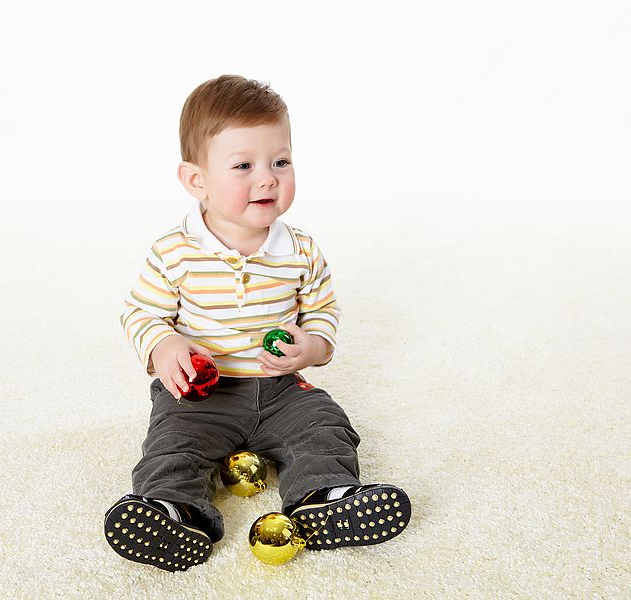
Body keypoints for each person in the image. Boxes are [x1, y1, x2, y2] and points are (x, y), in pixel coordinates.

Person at [103, 75, 411, 571]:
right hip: (202, 396)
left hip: (281, 389)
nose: (267, 178)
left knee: (325, 426)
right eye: (243, 165)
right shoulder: (174, 253)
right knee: (173, 444)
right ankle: (174, 512)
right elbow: (141, 312)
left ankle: (323, 498)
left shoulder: (301, 251)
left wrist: (309, 348)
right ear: (195, 179)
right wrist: (164, 345)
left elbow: (323, 315)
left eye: (280, 162)